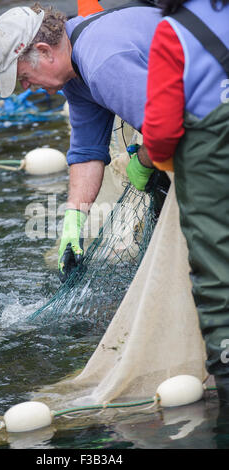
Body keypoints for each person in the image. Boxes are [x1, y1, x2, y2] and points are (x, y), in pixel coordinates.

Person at [0, 1, 166, 283]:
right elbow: (86, 152)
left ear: (44, 52)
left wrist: (143, 163)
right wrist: (73, 224)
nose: (25, 86)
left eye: (23, 76)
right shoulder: (75, 73)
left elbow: (168, 128)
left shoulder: (101, 62)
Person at [142, 0, 229, 404]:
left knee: (218, 270)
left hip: (211, 168)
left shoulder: (173, 32)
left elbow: (160, 129)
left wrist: (160, 161)